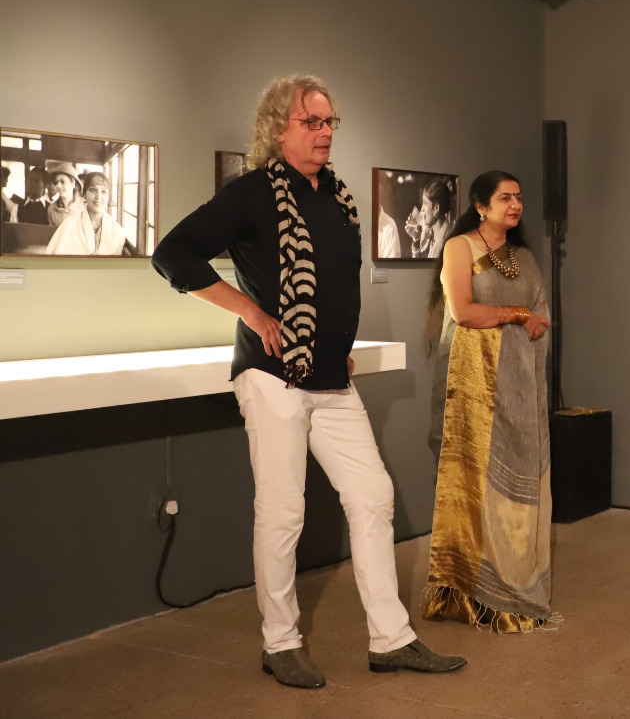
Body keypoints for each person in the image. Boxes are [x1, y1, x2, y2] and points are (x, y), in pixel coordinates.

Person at [152, 75, 465, 688]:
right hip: (273, 376)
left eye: (329, 123)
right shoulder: (251, 193)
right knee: (283, 512)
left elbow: (335, 287)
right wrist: (249, 310)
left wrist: (336, 347)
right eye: (311, 122)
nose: (324, 133)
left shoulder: (338, 197)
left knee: (372, 495)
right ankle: (281, 642)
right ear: (278, 129)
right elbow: (173, 254)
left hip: (330, 378)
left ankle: (391, 639)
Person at [421, 170, 554, 633]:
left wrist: (527, 324)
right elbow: (462, 312)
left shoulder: (525, 257)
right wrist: (517, 315)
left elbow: (542, 315)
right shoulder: (460, 248)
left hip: (518, 384)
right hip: (471, 387)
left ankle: (513, 583)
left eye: (518, 197)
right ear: (481, 206)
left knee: (517, 479)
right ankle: (471, 592)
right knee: (474, 481)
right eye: (504, 198)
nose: (515, 205)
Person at [46, 171, 129, 255]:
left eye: (103, 192)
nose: (98, 197)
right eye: (92, 190)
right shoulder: (69, 224)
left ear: (108, 196)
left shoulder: (117, 232)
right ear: (84, 195)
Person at [405, 178, 452, 259]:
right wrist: (416, 240)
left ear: (436, 208)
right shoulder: (432, 234)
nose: (422, 209)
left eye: (425, 203)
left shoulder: (445, 243)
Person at [45, 162, 84, 228]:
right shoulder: (51, 209)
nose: (58, 185)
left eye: (62, 182)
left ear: (73, 184)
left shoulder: (83, 206)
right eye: (56, 182)